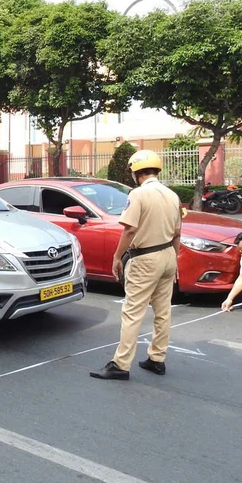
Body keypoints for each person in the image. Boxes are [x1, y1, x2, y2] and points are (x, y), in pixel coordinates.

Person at [91, 150, 182, 381]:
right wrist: (175, 261)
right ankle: (157, 359)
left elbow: (130, 229)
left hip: (145, 258)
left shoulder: (138, 194)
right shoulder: (172, 195)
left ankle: (121, 364)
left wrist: (116, 256)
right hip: (168, 254)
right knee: (163, 312)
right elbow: (177, 233)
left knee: (132, 312)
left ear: (136, 172)